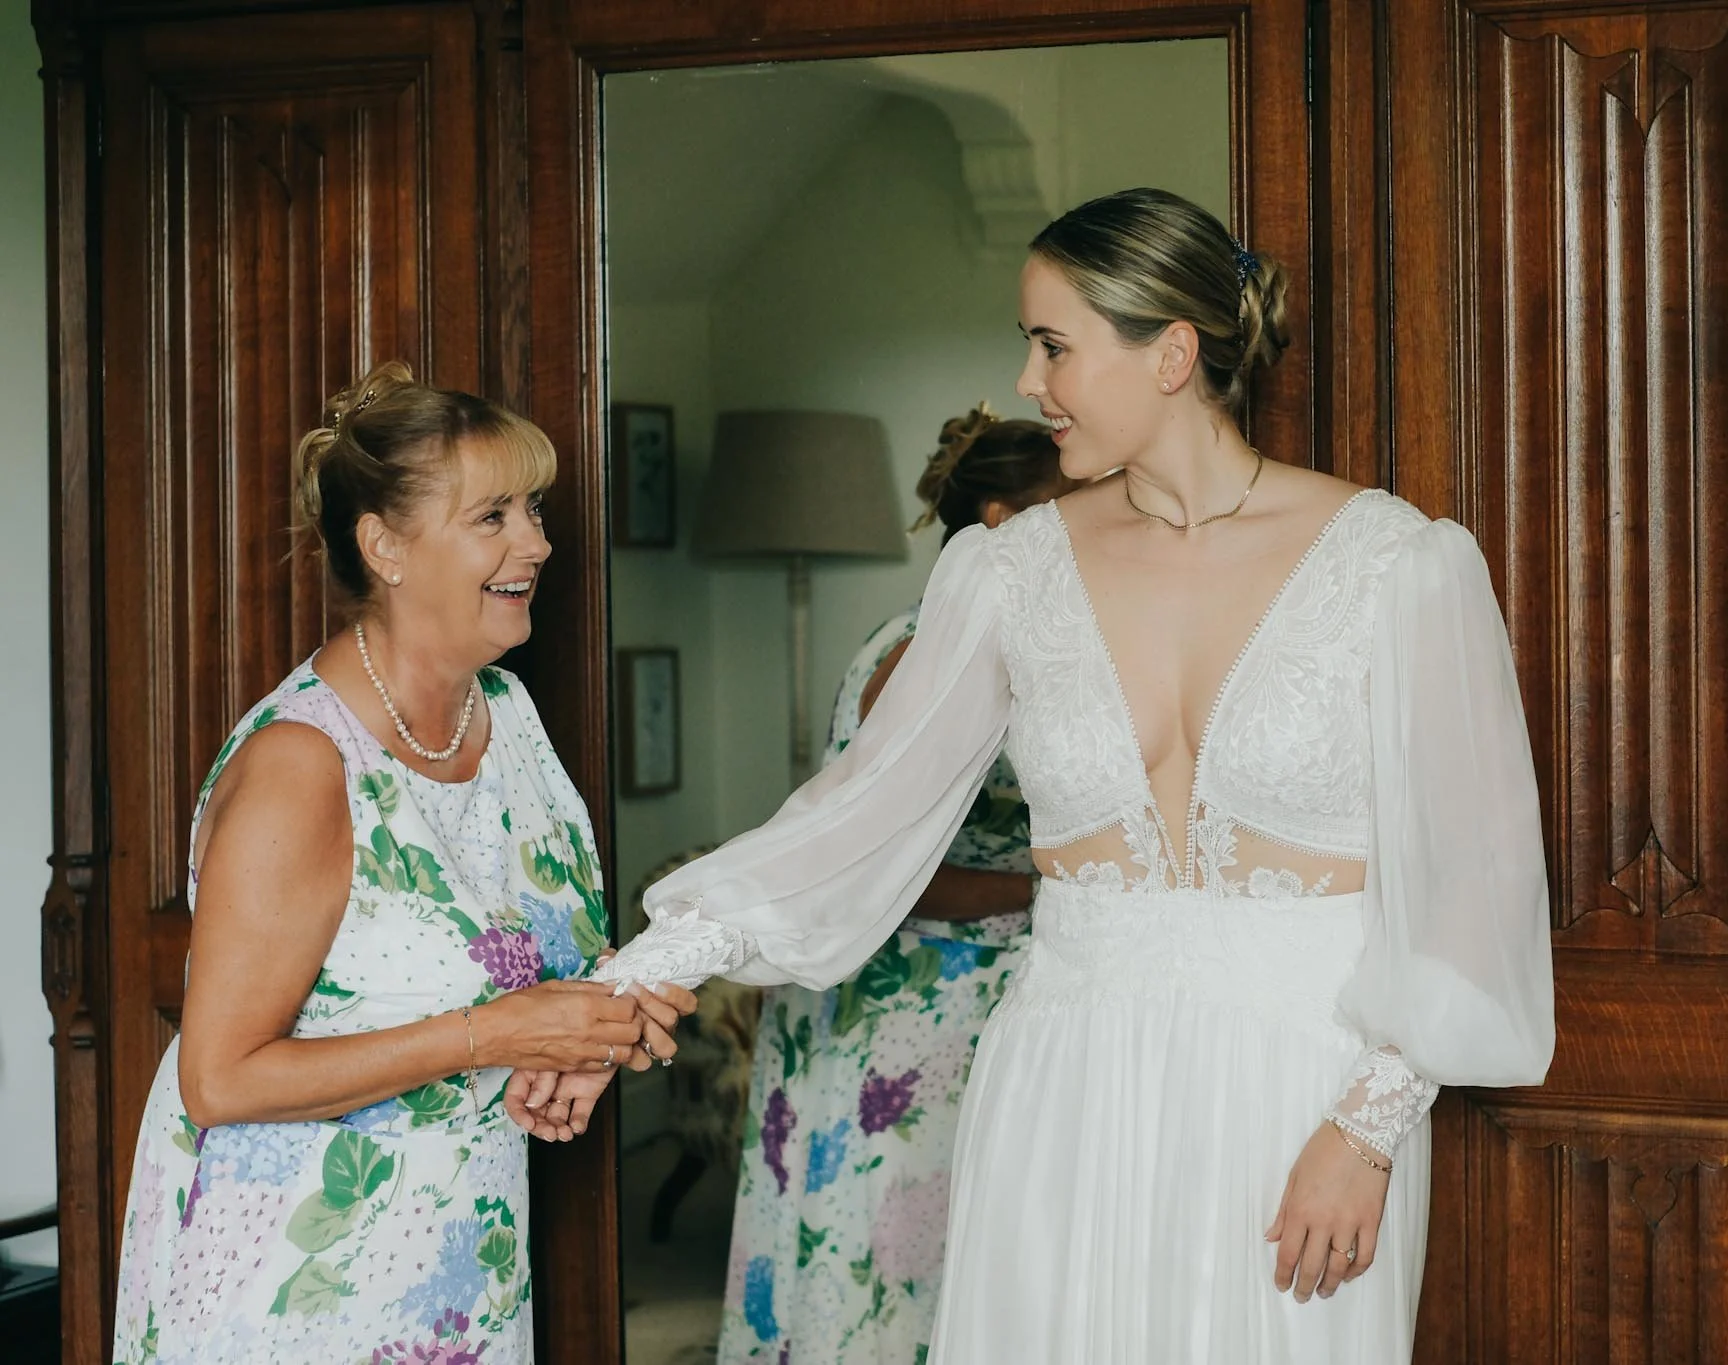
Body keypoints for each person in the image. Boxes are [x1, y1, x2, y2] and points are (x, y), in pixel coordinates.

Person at [590, 187, 1555, 1364]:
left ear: (1173, 354)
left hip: (1303, 1090)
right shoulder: (1007, 574)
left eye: (1052, 345)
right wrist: (645, 972)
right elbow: (855, 817)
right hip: (1062, 1079)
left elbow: (1472, 883)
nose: (1030, 382)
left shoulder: (1398, 564)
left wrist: (1364, 1133)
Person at [112, 362, 694, 1364]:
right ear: (383, 545)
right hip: (294, 1288)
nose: (538, 543)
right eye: (494, 517)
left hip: (458, 1272)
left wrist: (601, 1029)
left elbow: (536, 979)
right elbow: (220, 1079)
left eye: (535, 509)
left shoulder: (505, 716)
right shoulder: (302, 764)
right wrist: (492, 1034)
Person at [718, 405, 1076, 1364]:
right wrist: (1058, 892)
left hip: (976, 1002)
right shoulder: (921, 654)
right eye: (1068, 507)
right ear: (1001, 521)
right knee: (888, 1264)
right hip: (900, 1007)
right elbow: (880, 873)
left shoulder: (1045, 649)